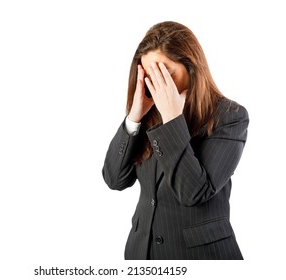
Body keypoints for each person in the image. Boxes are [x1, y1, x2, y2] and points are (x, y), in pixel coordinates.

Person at [102, 21, 249, 260]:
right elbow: (114, 179)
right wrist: (134, 117)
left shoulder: (230, 117)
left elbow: (194, 193)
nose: (158, 84)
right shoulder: (149, 116)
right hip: (143, 254)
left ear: (191, 67)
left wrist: (172, 119)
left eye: (165, 73)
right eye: (151, 76)